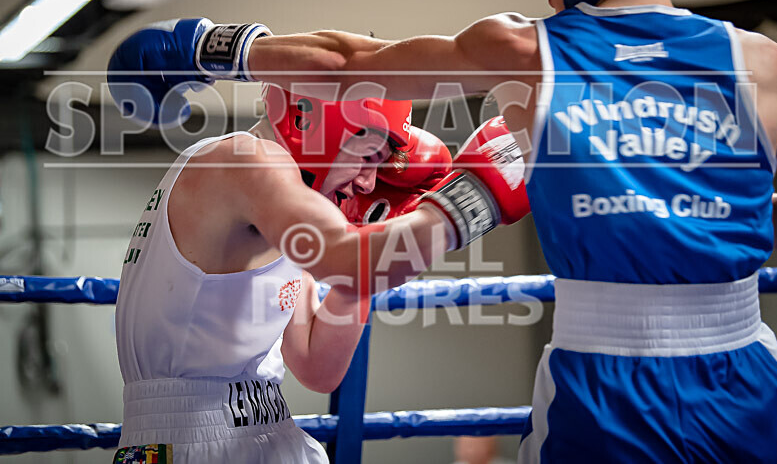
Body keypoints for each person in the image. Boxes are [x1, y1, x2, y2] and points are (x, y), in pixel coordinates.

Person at [108, 0, 777, 461]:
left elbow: (348, 65)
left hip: (603, 373)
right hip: (742, 370)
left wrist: (205, 45)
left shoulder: (531, 53)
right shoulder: (766, 64)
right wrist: (703, 212)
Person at [109, 68, 529, 463]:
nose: (368, 182)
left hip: (262, 425)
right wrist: (473, 202)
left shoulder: (285, 216)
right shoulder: (249, 161)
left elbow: (317, 366)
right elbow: (353, 263)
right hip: (189, 436)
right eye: (367, 156)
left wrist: (366, 230)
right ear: (313, 125)